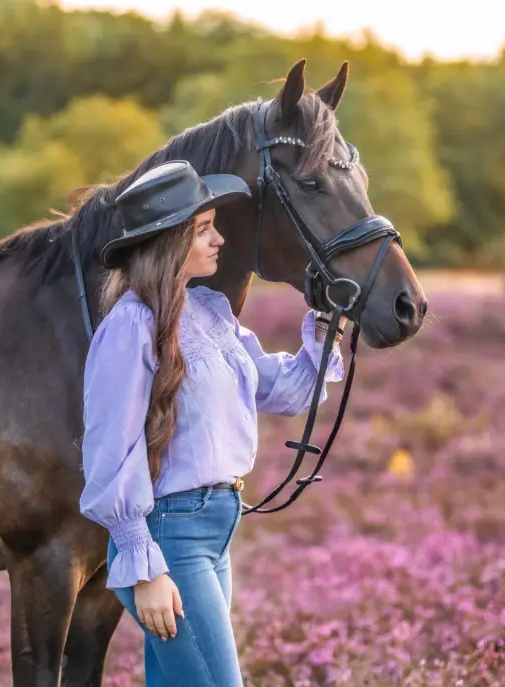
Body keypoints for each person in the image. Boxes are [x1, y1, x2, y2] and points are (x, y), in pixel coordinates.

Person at [79, 160, 345, 686]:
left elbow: (280, 389)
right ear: (169, 240)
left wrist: (322, 334)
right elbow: (110, 450)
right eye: (203, 229)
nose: (219, 239)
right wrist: (145, 566)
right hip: (168, 538)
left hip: (215, 532)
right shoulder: (131, 326)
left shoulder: (208, 312)